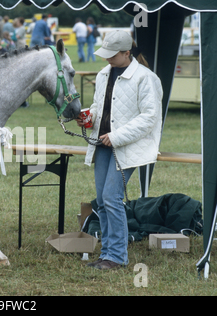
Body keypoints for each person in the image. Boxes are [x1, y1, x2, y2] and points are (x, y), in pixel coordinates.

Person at [76, 30, 162, 270]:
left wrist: (115, 137)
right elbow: (99, 107)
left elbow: (149, 119)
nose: (107, 60)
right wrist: (89, 118)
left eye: (112, 56)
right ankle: (108, 254)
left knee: (111, 199)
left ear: (127, 53)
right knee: (102, 202)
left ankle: (117, 257)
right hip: (104, 144)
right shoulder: (104, 74)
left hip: (129, 146)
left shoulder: (146, 78)